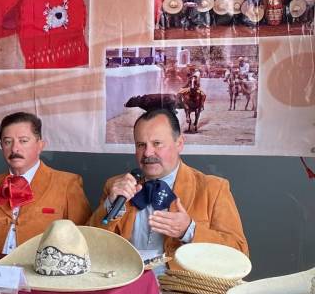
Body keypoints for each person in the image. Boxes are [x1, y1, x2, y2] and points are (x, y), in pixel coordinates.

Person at [88, 109, 248, 272]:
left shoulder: (213, 189)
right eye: (141, 145)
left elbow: (240, 254)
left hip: (182, 293)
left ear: (179, 144)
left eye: (157, 143)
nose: (148, 153)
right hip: (125, 287)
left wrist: (189, 231)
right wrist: (110, 206)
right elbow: (88, 248)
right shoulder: (115, 186)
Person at [0, 112, 91, 255]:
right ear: (1, 146)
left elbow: (83, 238)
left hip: (44, 273)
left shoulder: (67, 184)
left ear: (40, 145)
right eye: (8, 142)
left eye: (23, 141)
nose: (15, 149)